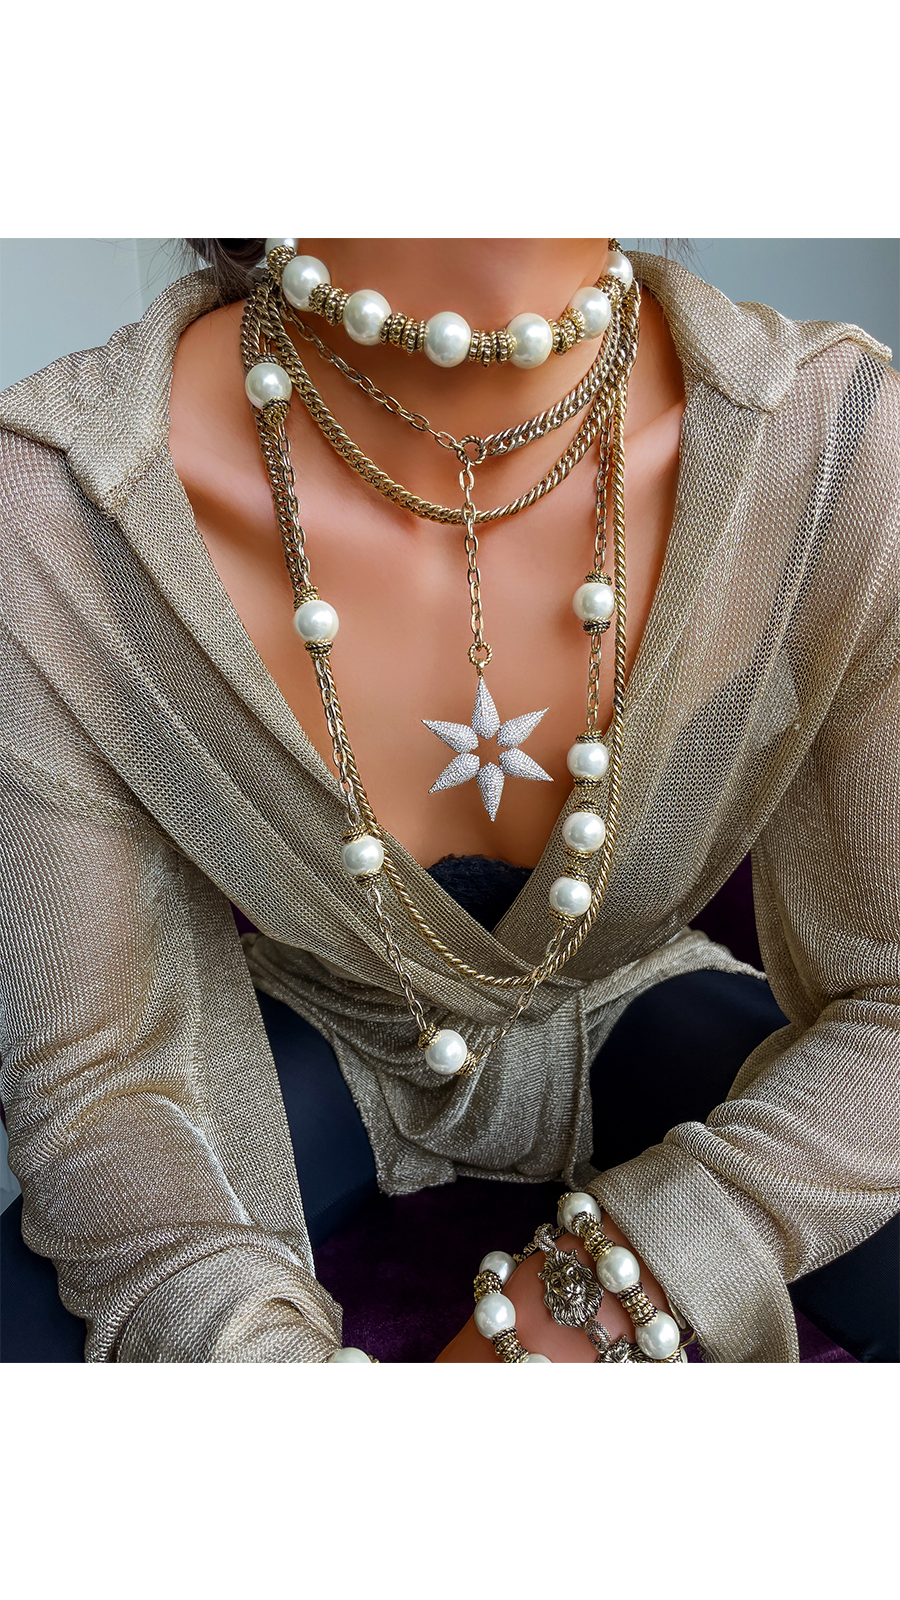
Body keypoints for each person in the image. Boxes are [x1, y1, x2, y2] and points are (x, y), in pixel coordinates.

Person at [0, 238, 897, 1364]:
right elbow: (96, 1082)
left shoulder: (833, 446)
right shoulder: (60, 502)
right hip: (315, 1035)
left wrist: (617, 1283)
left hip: (646, 1009)